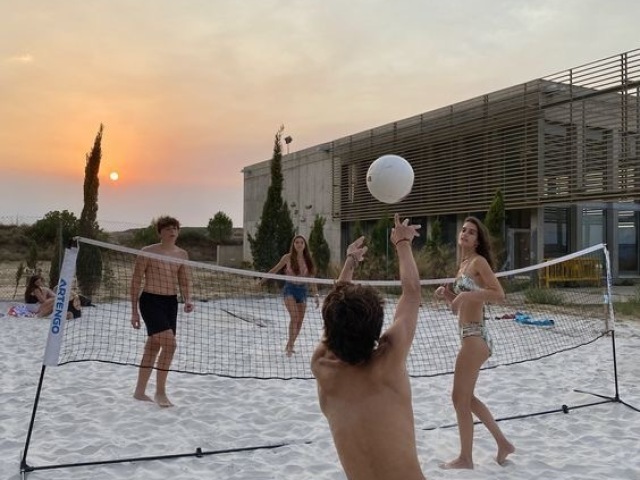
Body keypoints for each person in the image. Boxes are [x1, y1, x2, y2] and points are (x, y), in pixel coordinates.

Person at [311, 213, 425, 480]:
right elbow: (412, 293)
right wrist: (402, 242)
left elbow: (333, 316)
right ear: (377, 331)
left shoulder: (321, 366)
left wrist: (350, 261)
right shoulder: (389, 360)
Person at [435, 216, 515, 469]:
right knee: (466, 399)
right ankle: (503, 443)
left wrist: (465, 294)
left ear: (478, 240)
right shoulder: (463, 265)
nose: (466, 234)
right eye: (464, 230)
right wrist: (449, 296)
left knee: (458, 398)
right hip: (468, 335)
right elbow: (461, 306)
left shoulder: (479, 262)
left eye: (471, 232)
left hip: (476, 335)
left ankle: (466, 458)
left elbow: (499, 294)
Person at [130, 216, 194, 407]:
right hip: (150, 301)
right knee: (170, 345)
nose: (172, 231)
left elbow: (184, 280)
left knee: (153, 346)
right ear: (160, 232)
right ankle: (160, 392)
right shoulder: (148, 252)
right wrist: (134, 312)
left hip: (170, 303)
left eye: (175, 228)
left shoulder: (182, 254)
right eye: (167, 229)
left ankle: (139, 392)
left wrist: (188, 299)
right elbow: (135, 281)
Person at [261, 235, 319, 356]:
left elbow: (312, 279)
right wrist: (262, 280)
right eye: (296, 242)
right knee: (295, 317)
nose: (299, 244)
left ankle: (290, 344)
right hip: (290, 289)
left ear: (304, 245)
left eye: (301, 242)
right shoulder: (287, 257)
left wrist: (316, 295)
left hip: (302, 290)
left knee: (300, 321)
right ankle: (290, 347)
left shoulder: (308, 259)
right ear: (293, 244)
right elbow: (275, 269)